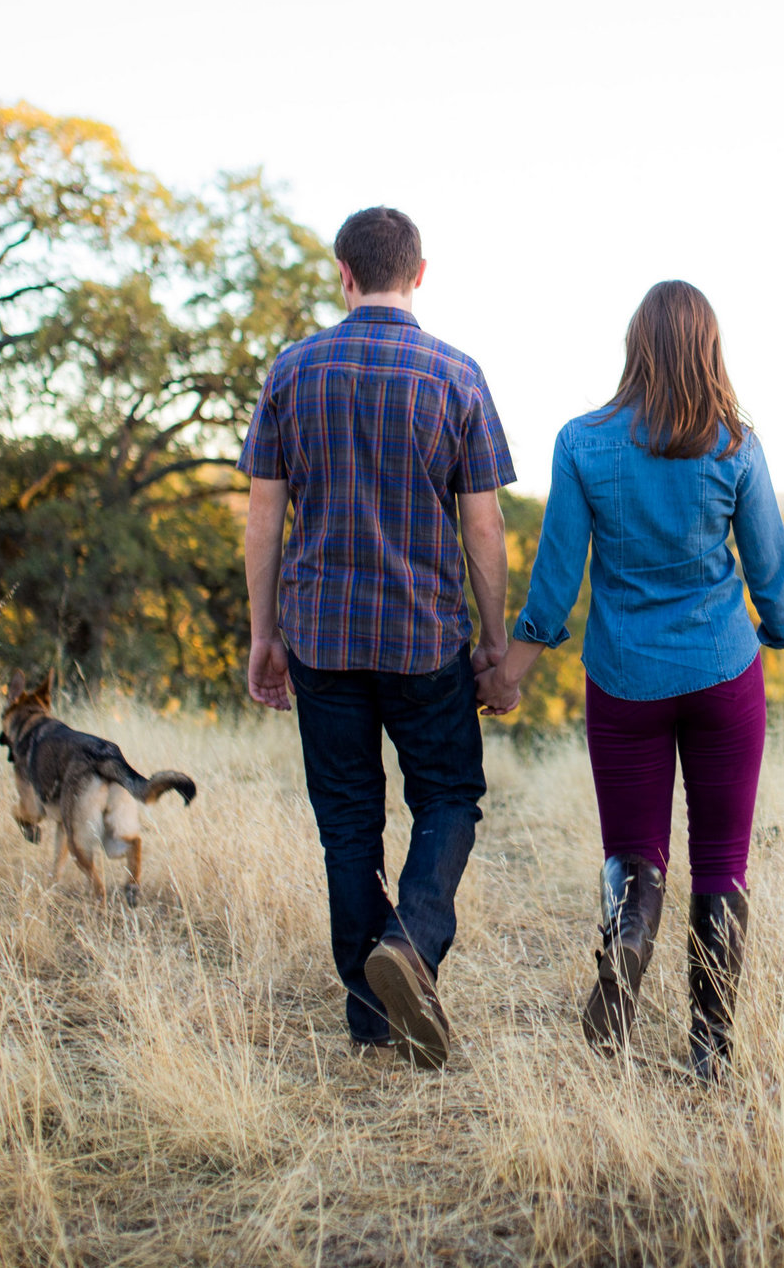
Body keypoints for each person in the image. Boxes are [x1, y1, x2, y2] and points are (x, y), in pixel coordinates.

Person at [478, 280, 784, 1080]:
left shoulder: (582, 442)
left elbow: (556, 578)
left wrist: (510, 672)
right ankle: (710, 1053)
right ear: (710, 348)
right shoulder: (736, 447)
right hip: (723, 676)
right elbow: (773, 579)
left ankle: (627, 948)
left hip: (625, 680)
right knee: (721, 863)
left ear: (634, 345)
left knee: (635, 854)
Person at [241, 205, 514, 1069]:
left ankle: (371, 1016)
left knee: (348, 821)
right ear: (420, 273)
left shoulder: (292, 372)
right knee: (446, 799)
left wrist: (264, 634)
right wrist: (496, 639)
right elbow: (484, 526)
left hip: (321, 637)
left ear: (343, 273)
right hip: (426, 639)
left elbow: (262, 517)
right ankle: (414, 940)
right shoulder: (456, 375)